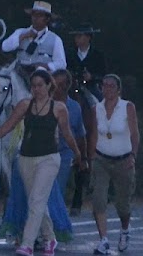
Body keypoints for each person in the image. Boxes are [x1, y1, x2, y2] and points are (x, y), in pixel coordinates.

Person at [0, 68, 82, 256]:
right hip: (26, 158)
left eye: (40, 85)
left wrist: (77, 153)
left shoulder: (59, 108)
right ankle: (50, 238)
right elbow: (8, 124)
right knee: (37, 201)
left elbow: (67, 134)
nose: (36, 89)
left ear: (48, 85)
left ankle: (27, 244)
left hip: (49, 159)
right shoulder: (24, 105)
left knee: (36, 200)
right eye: (33, 86)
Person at [88, 74, 139, 255]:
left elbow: (134, 133)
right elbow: (94, 134)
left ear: (118, 89)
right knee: (98, 199)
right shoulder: (97, 109)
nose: (107, 89)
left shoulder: (127, 107)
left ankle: (125, 229)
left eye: (111, 86)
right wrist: (92, 157)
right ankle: (103, 239)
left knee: (122, 203)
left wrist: (133, 155)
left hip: (123, 159)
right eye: (104, 85)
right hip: (102, 159)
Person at [2, 1, 67, 80]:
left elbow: (61, 63)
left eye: (40, 15)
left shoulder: (55, 39)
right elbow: (5, 47)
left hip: (41, 77)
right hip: (19, 75)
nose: (35, 18)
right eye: (34, 14)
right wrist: (23, 36)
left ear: (47, 19)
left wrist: (45, 66)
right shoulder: (20, 32)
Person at [51, 70, 87, 205]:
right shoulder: (43, 104)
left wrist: (82, 157)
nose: (56, 88)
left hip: (64, 154)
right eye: (54, 84)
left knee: (58, 189)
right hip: (45, 152)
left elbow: (80, 134)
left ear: (67, 86)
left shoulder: (75, 107)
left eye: (60, 85)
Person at [65, 24, 106, 101]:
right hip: (72, 86)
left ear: (88, 37)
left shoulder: (98, 55)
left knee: (100, 102)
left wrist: (91, 77)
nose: (76, 39)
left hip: (91, 86)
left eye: (79, 36)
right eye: (76, 36)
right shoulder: (70, 53)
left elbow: (103, 75)